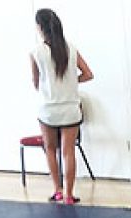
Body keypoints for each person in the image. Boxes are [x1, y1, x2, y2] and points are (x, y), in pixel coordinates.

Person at [30, 8, 93, 205]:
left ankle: (57, 190)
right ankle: (69, 195)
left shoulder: (36, 53)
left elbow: (35, 83)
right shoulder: (71, 49)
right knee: (68, 151)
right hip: (70, 109)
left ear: (40, 27)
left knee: (50, 149)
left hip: (48, 109)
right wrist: (71, 83)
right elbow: (88, 74)